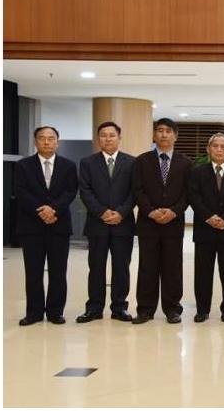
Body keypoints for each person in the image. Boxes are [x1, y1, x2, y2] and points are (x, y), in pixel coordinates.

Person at [131, 117, 193, 324]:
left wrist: (174, 211)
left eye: (168, 131)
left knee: (172, 268)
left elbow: (188, 193)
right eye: (159, 130)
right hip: (148, 223)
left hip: (173, 223)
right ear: (154, 134)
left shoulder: (186, 163)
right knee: (147, 267)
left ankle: (172, 309)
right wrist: (151, 211)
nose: (163, 134)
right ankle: (145, 309)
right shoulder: (141, 161)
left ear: (176, 136)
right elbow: (137, 190)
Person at [14, 126, 77, 326]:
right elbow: (20, 191)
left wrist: (54, 209)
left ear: (57, 142)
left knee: (58, 271)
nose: (47, 142)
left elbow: (70, 191)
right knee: (33, 271)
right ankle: (33, 313)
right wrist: (42, 211)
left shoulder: (68, 165)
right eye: (42, 138)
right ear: (35, 142)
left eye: (51, 138)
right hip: (31, 226)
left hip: (59, 225)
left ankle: (55, 312)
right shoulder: (23, 165)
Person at [76, 121, 136, 323]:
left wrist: (121, 213)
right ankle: (94, 308)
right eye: (103, 135)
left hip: (123, 224)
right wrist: (102, 212)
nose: (108, 139)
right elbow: (85, 191)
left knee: (122, 268)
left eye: (112, 135)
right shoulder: (87, 162)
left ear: (119, 138)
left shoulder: (132, 162)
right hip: (97, 224)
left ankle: (119, 308)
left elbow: (134, 192)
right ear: (98, 138)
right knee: (96, 268)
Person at [188, 133, 224, 323]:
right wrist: (209, 217)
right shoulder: (197, 172)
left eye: (223, 147)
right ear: (208, 149)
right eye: (215, 146)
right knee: (202, 272)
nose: (219, 150)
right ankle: (202, 309)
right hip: (204, 230)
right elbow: (194, 198)